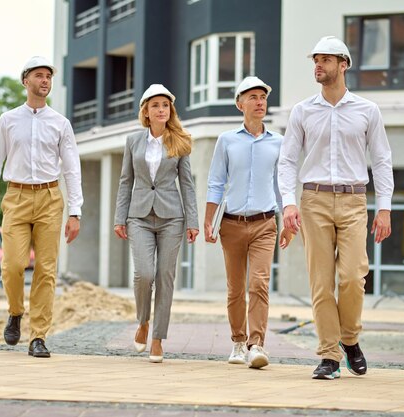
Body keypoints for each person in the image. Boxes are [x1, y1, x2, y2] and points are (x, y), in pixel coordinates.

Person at [278, 36, 394, 380]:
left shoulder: (367, 111)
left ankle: (350, 338)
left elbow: (383, 160)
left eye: (326, 60)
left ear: (343, 65)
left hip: (355, 200)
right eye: (316, 59)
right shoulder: (302, 111)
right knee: (320, 282)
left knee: (353, 277)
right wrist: (287, 203)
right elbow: (286, 161)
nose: (318, 65)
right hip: (313, 200)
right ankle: (329, 355)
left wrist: (384, 207)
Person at [0, 56, 83, 358]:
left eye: (48, 76)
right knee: (12, 266)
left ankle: (38, 336)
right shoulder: (8, 120)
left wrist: (75, 211)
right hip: (16, 197)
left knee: (46, 270)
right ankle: (15, 311)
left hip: (51, 199)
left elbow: (72, 169)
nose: (45, 81)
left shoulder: (60, 123)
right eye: (39, 76)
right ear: (26, 81)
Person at [113, 84, 199, 363]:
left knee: (165, 277)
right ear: (146, 112)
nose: (161, 109)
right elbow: (126, 180)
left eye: (165, 105)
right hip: (138, 215)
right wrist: (119, 217)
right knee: (144, 275)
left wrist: (192, 220)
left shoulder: (180, 141)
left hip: (172, 217)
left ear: (170, 110)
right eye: (155, 105)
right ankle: (142, 321)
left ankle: (158, 339)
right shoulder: (133, 141)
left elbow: (187, 184)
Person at [205, 76, 283, 369]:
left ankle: (256, 345)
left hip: (265, 224)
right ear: (240, 104)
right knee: (235, 288)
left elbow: (282, 184)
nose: (259, 102)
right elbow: (215, 182)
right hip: (231, 224)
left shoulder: (279, 142)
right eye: (253, 97)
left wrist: (288, 216)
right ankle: (238, 342)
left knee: (259, 284)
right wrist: (209, 220)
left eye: (263, 97)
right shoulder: (226, 140)